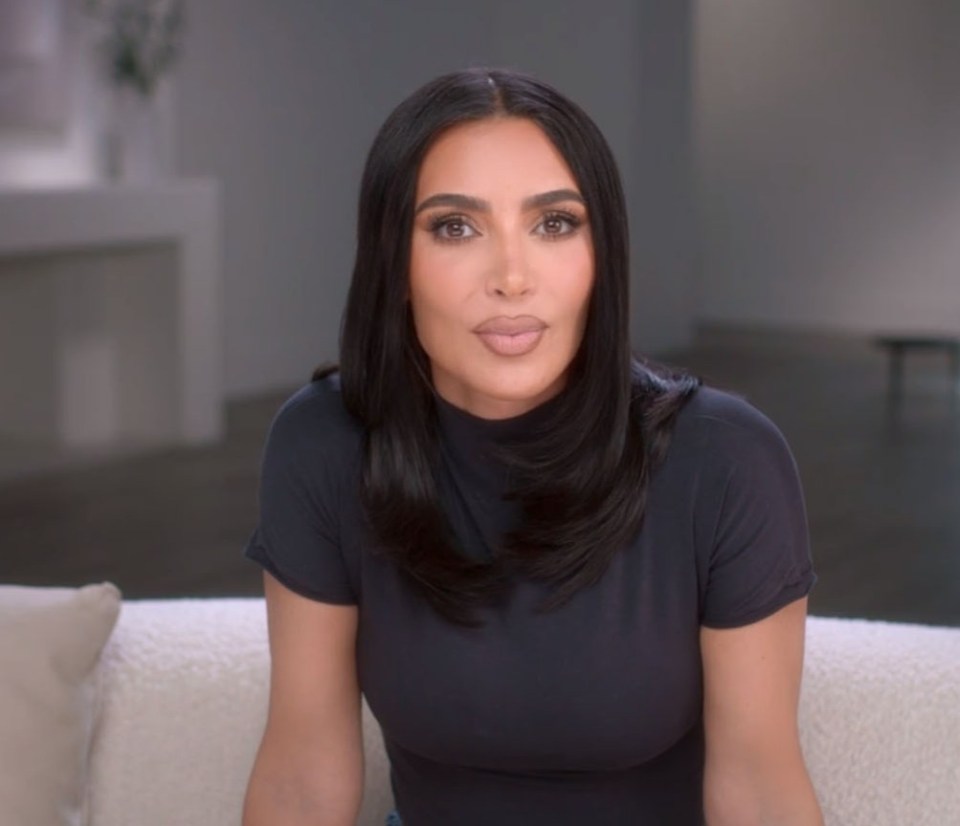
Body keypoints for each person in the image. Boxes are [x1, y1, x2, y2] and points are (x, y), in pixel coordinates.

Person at [241, 68, 823, 826]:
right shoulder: (323, 443)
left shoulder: (727, 462)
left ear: (600, 255)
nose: (512, 278)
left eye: (554, 224)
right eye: (455, 226)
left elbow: (759, 790)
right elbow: (301, 772)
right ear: (395, 261)